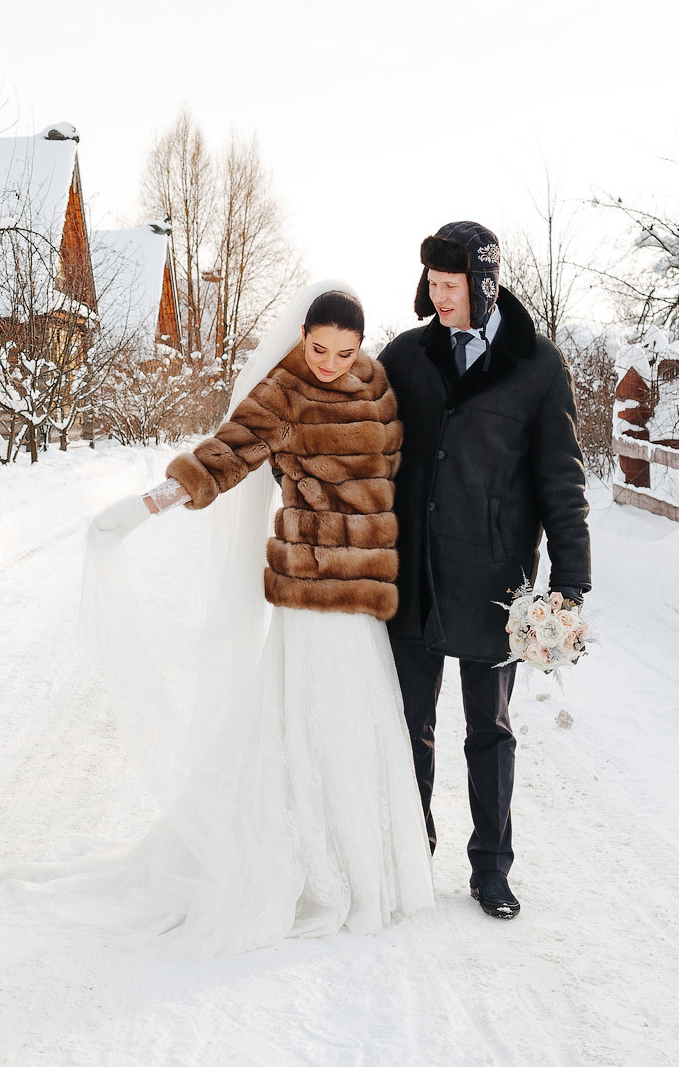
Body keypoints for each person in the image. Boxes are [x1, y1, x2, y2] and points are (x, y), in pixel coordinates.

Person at [51, 281, 433, 955]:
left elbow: (401, 476)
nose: (330, 363)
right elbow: (226, 453)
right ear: (303, 337)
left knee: (360, 727)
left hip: (366, 596)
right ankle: (309, 867)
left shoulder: (378, 388)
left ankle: (367, 870)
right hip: (310, 591)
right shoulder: (284, 390)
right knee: (304, 724)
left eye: (345, 352)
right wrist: (154, 499)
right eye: (318, 348)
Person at [378, 222, 592, 921]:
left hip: (495, 581)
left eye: (452, 286)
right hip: (411, 575)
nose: (439, 297)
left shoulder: (536, 365)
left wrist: (570, 584)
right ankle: (411, 855)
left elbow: (562, 479)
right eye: (432, 285)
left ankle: (491, 867)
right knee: (407, 724)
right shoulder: (405, 357)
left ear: (484, 283)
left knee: (489, 730)